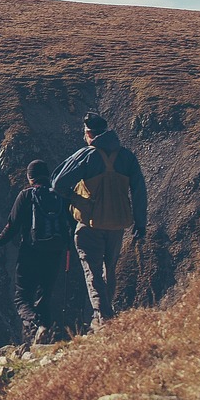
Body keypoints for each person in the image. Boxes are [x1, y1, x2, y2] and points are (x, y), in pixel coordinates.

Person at [52, 112, 148, 331]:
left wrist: (77, 199)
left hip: (90, 224)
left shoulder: (87, 156)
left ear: (89, 133)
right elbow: (140, 191)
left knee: (92, 271)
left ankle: (103, 319)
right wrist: (140, 223)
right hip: (117, 225)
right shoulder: (127, 157)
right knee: (109, 269)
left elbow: (58, 183)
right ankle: (106, 314)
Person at [0, 160, 73, 346]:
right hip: (55, 252)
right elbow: (71, 223)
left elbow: (12, 226)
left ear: (30, 177)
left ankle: (35, 326)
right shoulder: (59, 196)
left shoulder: (26, 196)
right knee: (45, 296)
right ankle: (45, 339)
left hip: (30, 252)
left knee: (22, 298)